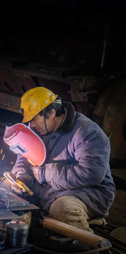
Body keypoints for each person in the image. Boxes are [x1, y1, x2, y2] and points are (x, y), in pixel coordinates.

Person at [8, 87, 115, 234]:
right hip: (49, 189)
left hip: (87, 192)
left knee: (62, 209)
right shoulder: (37, 128)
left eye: (35, 119)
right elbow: (24, 156)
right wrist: (21, 176)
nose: (31, 125)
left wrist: (47, 174)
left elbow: (92, 173)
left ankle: (87, 244)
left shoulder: (87, 132)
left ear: (52, 113)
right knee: (5, 188)